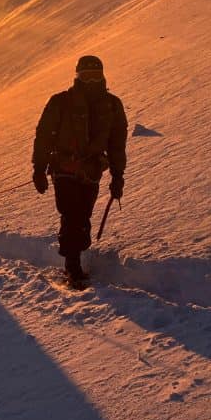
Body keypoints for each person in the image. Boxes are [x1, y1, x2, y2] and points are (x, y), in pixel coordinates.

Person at [32, 55, 128, 284]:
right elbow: (44, 136)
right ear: (77, 76)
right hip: (64, 169)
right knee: (71, 214)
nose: (92, 82)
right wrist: (39, 168)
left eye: (96, 77)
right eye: (87, 77)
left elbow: (117, 144)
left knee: (83, 217)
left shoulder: (113, 105)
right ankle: (72, 266)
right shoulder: (61, 102)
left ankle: (75, 258)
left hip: (92, 172)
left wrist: (118, 176)